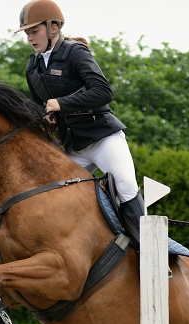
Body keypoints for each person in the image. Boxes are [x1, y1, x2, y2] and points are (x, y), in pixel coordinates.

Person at [17, 0, 145, 246]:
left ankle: (149, 253)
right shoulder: (32, 66)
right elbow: (41, 107)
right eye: (27, 33)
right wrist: (48, 117)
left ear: (53, 28)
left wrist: (61, 104)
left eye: (35, 31)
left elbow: (103, 91)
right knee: (46, 192)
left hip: (102, 138)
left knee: (126, 184)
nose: (30, 38)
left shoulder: (75, 53)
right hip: (73, 147)